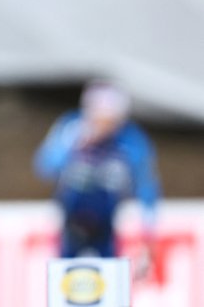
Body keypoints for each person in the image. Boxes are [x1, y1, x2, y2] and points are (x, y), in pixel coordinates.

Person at [34, 81, 161, 259]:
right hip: (70, 222)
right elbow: (45, 167)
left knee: (110, 272)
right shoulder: (71, 128)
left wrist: (148, 232)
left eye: (109, 120)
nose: (103, 126)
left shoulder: (131, 140)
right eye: (98, 118)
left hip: (107, 223)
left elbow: (146, 186)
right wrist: (73, 143)